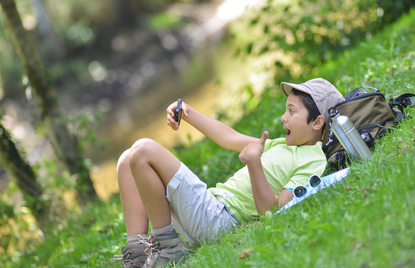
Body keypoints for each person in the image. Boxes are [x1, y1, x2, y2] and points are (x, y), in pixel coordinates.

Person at [111, 78, 344, 267]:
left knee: (143, 149)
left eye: (292, 111)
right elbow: (228, 137)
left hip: (221, 220)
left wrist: (254, 163)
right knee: (125, 161)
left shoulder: (312, 160)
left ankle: (168, 248)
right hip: (210, 206)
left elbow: (276, 212)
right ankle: (139, 255)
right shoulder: (281, 144)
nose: (283, 117)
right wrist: (188, 113)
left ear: (317, 122)